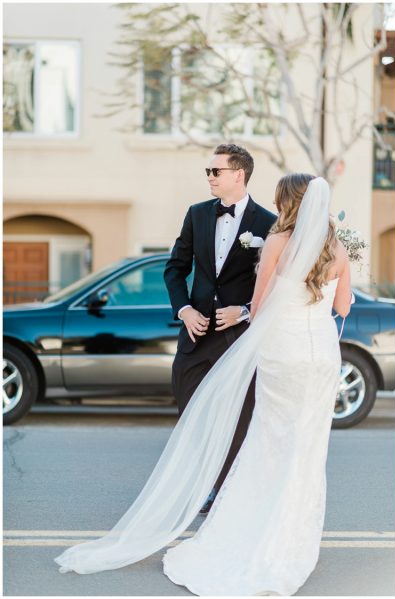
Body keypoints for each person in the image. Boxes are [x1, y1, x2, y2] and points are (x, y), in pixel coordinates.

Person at [55, 175, 353, 596]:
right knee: (307, 447)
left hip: (283, 352)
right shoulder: (338, 250)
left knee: (270, 441)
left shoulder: (277, 242)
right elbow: (342, 307)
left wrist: (250, 313)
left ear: (288, 203)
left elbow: (261, 304)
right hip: (321, 355)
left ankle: (253, 530)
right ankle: (291, 540)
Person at [164, 143, 277, 513]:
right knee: (192, 417)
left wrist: (244, 311)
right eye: (208, 172)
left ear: (238, 174)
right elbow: (175, 269)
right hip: (195, 339)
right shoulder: (196, 215)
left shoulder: (267, 223)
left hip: (239, 341)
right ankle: (200, 483)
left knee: (239, 420)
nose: (210, 177)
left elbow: (275, 283)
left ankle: (224, 489)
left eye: (216, 171)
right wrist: (183, 310)